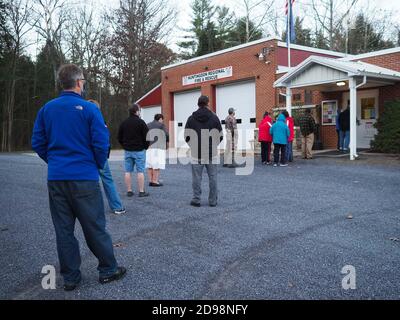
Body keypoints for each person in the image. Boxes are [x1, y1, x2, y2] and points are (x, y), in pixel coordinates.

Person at [31, 64, 126, 291]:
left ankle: (71, 278)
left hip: (56, 179)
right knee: (94, 225)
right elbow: (101, 143)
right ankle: (108, 270)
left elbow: (38, 142)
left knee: (63, 230)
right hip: (84, 177)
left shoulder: (47, 109)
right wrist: (94, 165)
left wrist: (55, 163)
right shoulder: (89, 109)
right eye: (83, 81)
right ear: (79, 82)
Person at [88, 99, 126, 216]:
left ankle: (88, 208)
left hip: (87, 155)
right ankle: (117, 206)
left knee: (88, 181)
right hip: (98, 155)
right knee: (107, 180)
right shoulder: (100, 120)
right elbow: (104, 140)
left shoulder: (81, 120)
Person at [184, 95, 223, 207]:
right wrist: (213, 145)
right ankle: (213, 201)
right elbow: (220, 135)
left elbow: (187, 136)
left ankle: (196, 199)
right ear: (208, 103)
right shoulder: (214, 118)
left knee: (196, 177)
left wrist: (193, 146)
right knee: (213, 177)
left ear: (198, 104)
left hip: (197, 152)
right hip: (211, 152)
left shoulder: (191, 118)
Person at [118, 103, 150, 197]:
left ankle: (129, 191)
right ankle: (141, 191)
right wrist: (145, 147)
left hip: (128, 150)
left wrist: (124, 146)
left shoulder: (124, 123)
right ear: (136, 111)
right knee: (140, 171)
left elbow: (119, 137)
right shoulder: (141, 122)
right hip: (139, 150)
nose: (140, 112)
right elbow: (147, 137)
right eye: (139, 110)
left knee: (128, 171)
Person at [146, 113, 169, 187]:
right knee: (157, 164)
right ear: (160, 119)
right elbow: (166, 135)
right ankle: (155, 181)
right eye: (162, 120)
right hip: (158, 147)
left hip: (149, 147)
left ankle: (150, 180)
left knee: (150, 164)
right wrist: (167, 142)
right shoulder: (161, 125)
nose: (162, 121)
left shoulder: (148, 125)